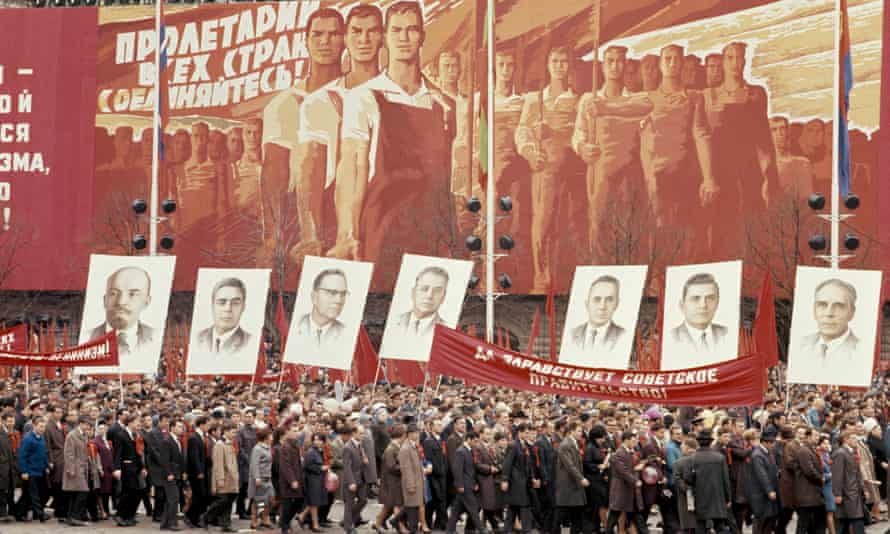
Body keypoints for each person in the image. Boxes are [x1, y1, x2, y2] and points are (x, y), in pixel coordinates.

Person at [327, 1, 457, 293]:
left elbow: (445, 177)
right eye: (396, 30)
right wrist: (347, 232)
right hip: (383, 228)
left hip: (431, 229)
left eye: (411, 30)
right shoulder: (363, 97)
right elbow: (352, 166)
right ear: (385, 37)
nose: (404, 38)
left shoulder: (442, 104)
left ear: (422, 36)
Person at [515, 45, 580, 293]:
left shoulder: (578, 100)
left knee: (567, 224)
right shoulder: (535, 100)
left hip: (572, 170)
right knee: (542, 223)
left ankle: (561, 279)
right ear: (548, 65)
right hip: (545, 170)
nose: (559, 66)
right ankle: (541, 279)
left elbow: (582, 131)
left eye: (564, 61)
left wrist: (557, 132)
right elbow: (522, 131)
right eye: (555, 61)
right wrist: (531, 151)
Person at [572, 45, 646, 261]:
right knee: (598, 223)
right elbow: (578, 133)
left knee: (627, 224)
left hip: (630, 171)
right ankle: (599, 270)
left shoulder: (636, 99)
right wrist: (583, 147)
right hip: (599, 170)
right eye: (610, 61)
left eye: (619, 61)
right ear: (602, 66)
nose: (615, 66)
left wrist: (609, 109)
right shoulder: (588, 99)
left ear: (626, 65)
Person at [665, 273, 730, 369]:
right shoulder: (670, 338)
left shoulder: (727, 334)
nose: (703, 305)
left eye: (710, 298)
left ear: (717, 303)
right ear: (682, 305)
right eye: (695, 299)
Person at [87, 266, 154, 358]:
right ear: (105, 300)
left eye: (132, 294)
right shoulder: (86, 337)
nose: (121, 302)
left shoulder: (155, 338)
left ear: (146, 302)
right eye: (113, 293)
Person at [566, 275, 628, 367]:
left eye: (609, 300)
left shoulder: (623, 336)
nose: (602, 306)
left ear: (616, 304)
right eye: (597, 299)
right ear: (587, 303)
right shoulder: (572, 334)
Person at [797, 279, 859, 369]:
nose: (829, 313)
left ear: (851, 312)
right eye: (822, 305)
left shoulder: (860, 350)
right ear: (814, 310)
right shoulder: (801, 345)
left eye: (839, 306)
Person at [196, 277, 254, 357]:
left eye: (235, 303)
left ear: (243, 307)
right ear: (212, 305)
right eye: (221, 302)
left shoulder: (250, 342)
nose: (228, 309)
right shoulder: (198, 338)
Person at [688, 430, 732, 534]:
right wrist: (728, 498)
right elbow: (725, 480)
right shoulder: (720, 458)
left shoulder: (693, 458)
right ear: (711, 442)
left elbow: (689, 479)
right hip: (718, 498)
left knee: (701, 527)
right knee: (720, 527)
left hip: (700, 498)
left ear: (698, 442)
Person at [294, 269, 348, 349]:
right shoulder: (296, 325)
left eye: (343, 294)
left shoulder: (346, 333)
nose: (339, 300)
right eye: (332, 292)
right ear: (314, 296)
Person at [606, 430, 648, 534]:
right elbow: (623, 471)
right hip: (621, 489)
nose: (635, 443)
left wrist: (638, 467)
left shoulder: (629, 451)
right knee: (614, 515)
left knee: (636, 516)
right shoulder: (619, 453)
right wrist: (635, 481)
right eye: (633, 441)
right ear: (626, 440)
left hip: (629, 490)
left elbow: (629, 469)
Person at [446, 430, 488, 534]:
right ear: (468, 439)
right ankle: (482, 530)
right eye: (475, 441)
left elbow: (471, 470)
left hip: (469, 485)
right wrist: (459, 485)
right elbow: (457, 470)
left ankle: (449, 530)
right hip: (464, 486)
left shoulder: (469, 450)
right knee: (473, 509)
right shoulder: (460, 451)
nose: (476, 443)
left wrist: (474, 483)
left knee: (456, 511)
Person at [394, 266, 449, 338]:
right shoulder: (395, 320)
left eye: (437, 291)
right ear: (413, 292)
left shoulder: (446, 329)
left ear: (443, 297)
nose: (429, 296)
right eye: (424, 289)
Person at [553, 422, 589, 534]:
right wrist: (581, 478)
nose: (581, 433)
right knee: (562, 515)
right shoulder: (565, 445)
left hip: (574, 485)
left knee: (576, 516)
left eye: (581, 431)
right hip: (568, 486)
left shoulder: (574, 443)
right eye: (578, 431)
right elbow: (570, 465)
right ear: (571, 431)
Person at [203, 422, 239, 533]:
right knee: (222, 500)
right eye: (233, 432)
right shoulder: (219, 444)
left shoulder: (230, 443)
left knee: (229, 502)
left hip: (232, 478)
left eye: (235, 432)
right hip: (224, 478)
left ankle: (225, 524)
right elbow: (218, 464)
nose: (235, 435)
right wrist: (220, 479)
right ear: (226, 432)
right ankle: (206, 517)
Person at [770, 116, 814, 200]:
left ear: (788, 132)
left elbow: (806, 198)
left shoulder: (802, 163)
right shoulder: (765, 164)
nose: (779, 133)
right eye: (774, 130)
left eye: (782, 128)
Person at [831, 430, 865, 534]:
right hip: (847, 493)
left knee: (845, 523)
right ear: (846, 439)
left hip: (853, 493)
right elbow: (837, 475)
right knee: (853, 522)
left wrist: (862, 489)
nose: (856, 440)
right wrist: (837, 494)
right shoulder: (840, 453)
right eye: (853, 438)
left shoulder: (850, 452)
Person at [113, 415, 144, 527]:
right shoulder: (121, 435)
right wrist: (117, 468)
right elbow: (117, 453)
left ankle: (129, 515)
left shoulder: (135, 435)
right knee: (127, 492)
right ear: (130, 422)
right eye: (137, 422)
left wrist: (142, 467)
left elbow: (138, 453)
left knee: (135, 492)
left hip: (135, 468)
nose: (139, 424)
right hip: (126, 467)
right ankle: (120, 515)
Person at [746, 428, 780, 534]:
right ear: (765, 442)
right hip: (760, 494)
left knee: (769, 522)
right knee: (760, 522)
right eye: (772, 443)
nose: (773, 445)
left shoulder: (768, 453)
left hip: (768, 493)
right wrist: (769, 490)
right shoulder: (757, 455)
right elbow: (762, 475)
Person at [794, 428, 826, 534]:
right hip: (807, 493)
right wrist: (821, 478)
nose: (817, 438)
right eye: (815, 436)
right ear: (808, 436)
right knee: (803, 523)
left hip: (814, 493)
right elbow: (809, 471)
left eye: (818, 436)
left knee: (818, 522)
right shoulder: (804, 451)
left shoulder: (811, 449)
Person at [61, 416, 91, 526]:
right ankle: (75, 516)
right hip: (76, 467)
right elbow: (68, 453)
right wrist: (71, 468)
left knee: (75, 493)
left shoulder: (84, 435)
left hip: (83, 467)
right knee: (83, 491)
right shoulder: (72, 435)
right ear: (81, 423)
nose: (88, 427)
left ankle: (72, 517)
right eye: (87, 424)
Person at [17, 415, 48, 522]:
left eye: (44, 427)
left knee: (27, 494)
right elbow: (22, 456)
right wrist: (24, 471)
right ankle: (40, 515)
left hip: (39, 470)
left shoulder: (42, 437)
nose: (43, 429)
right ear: (34, 426)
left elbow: (43, 453)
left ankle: (18, 513)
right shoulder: (28, 439)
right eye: (40, 426)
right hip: (30, 471)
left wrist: (46, 466)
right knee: (34, 494)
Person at [157, 418, 185, 532]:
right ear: (172, 428)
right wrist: (168, 473)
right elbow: (164, 459)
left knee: (171, 499)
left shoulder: (178, 441)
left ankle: (164, 523)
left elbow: (179, 458)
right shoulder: (167, 441)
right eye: (179, 427)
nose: (181, 429)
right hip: (170, 475)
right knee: (174, 498)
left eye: (182, 427)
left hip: (177, 473)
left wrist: (183, 472)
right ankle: (172, 523)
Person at [377, 425, 405, 534]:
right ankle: (400, 527)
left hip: (395, 481)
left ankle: (378, 524)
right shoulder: (391, 449)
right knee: (395, 505)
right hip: (391, 482)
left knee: (389, 506)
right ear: (401, 435)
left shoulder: (396, 447)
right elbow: (391, 467)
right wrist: (405, 466)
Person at [342, 424, 369, 534]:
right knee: (349, 504)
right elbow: (346, 466)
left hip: (361, 478)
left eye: (363, 433)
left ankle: (346, 521)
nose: (363, 435)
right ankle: (348, 528)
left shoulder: (360, 444)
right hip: (352, 480)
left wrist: (364, 460)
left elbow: (360, 459)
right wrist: (351, 482)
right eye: (360, 433)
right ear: (353, 433)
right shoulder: (347, 447)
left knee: (363, 500)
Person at [422, 418, 448, 531]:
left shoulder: (441, 439)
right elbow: (429, 459)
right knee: (435, 501)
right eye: (438, 425)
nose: (440, 426)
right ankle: (442, 524)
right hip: (433, 476)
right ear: (432, 427)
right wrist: (437, 472)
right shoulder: (428, 441)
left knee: (438, 501)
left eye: (441, 424)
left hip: (442, 475)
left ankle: (437, 524)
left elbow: (444, 457)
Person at [278, 421, 304, 534]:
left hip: (297, 479)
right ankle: (284, 526)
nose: (296, 433)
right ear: (288, 432)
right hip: (288, 482)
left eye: (297, 431)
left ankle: (286, 522)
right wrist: (292, 480)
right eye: (294, 431)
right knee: (287, 504)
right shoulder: (286, 447)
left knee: (298, 502)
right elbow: (286, 466)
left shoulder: (295, 445)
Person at [474, 426, 501, 533]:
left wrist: (497, 466)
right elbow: (477, 464)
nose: (489, 436)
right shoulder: (478, 447)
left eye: (490, 434)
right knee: (482, 505)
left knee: (487, 505)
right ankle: (493, 526)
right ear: (481, 435)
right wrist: (490, 468)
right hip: (482, 479)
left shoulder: (490, 447)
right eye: (487, 434)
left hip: (490, 479)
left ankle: (494, 526)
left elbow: (494, 460)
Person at [298, 432, 327, 532]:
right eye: (315, 440)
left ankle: (302, 516)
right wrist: (320, 468)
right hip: (312, 480)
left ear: (323, 441)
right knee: (314, 502)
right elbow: (307, 466)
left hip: (318, 479)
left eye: (319, 440)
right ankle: (315, 525)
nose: (317, 442)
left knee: (314, 502)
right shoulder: (311, 452)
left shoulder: (319, 450)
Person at [399, 423, 425, 534]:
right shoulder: (406, 448)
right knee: (412, 510)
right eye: (415, 433)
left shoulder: (413, 445)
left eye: (417, 432)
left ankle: (395, 521)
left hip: (417, 481)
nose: (417, 435)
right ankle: (412, 529)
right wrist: (410, 485)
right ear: (409, 434)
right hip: (412, 482)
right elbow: (406, 469)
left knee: (413, 506)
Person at [248, 427, 275, 530]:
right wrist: (257, 477)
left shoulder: (268, 447)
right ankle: (254, 521)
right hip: (260, 479)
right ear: (265, 437)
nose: (272, 438)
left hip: (268, 478)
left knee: (271, 499)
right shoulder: (257, 448)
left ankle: (264, 518)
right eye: (271, 436)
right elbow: (254, 464)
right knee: (259, 501)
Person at [186, 416, 211, 527]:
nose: (209, 427)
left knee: (202, 496)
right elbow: (194, 457)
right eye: (207, 425)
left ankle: (194, 517)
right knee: (198, 495)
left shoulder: (202, 437)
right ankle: (190, 517)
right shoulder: (193, 438)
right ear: (201, 425)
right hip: (196, 473)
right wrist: (199, 471)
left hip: (203, 471)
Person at [44, 403, 67, 523]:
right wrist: (50, 461)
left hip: (63, 457)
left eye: (61, 412)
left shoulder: (60, 425)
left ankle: (60, 511)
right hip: (56, 459)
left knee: (62, 485)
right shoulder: (48, 426)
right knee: (57, 485)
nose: (59, 414)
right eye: (57, 412)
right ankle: (60, 512)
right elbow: (47, 445)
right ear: (52, 413)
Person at [672, 438, 698, 534]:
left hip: (685, 496)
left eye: (682, 446)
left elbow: (677, 479)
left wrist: (687, 489)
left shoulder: (678, 463)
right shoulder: (702, 460)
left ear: (687, 447)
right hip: (701, 495)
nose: (681, 448)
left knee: (688, 524)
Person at [236, 408, 257, 519]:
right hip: (244, 464)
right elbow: (240, 448)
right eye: (246, 416)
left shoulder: (256, 431)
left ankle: (250, 510)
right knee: (243, 488)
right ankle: (241, 511)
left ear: (254, 418)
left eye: (250, 417)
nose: (248, 419)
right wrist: (248, 460)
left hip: (254, 462)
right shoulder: (240, 431)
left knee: (254, 488)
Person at [0, 410, 16, 522]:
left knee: (10, 490)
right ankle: (3, 514)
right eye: (9, 421)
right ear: (3, 421)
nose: (11, 423)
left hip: (11, 467)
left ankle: (10, 512)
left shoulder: (12, 433)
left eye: (12, 421)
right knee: (1, 491)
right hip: (2, 467)